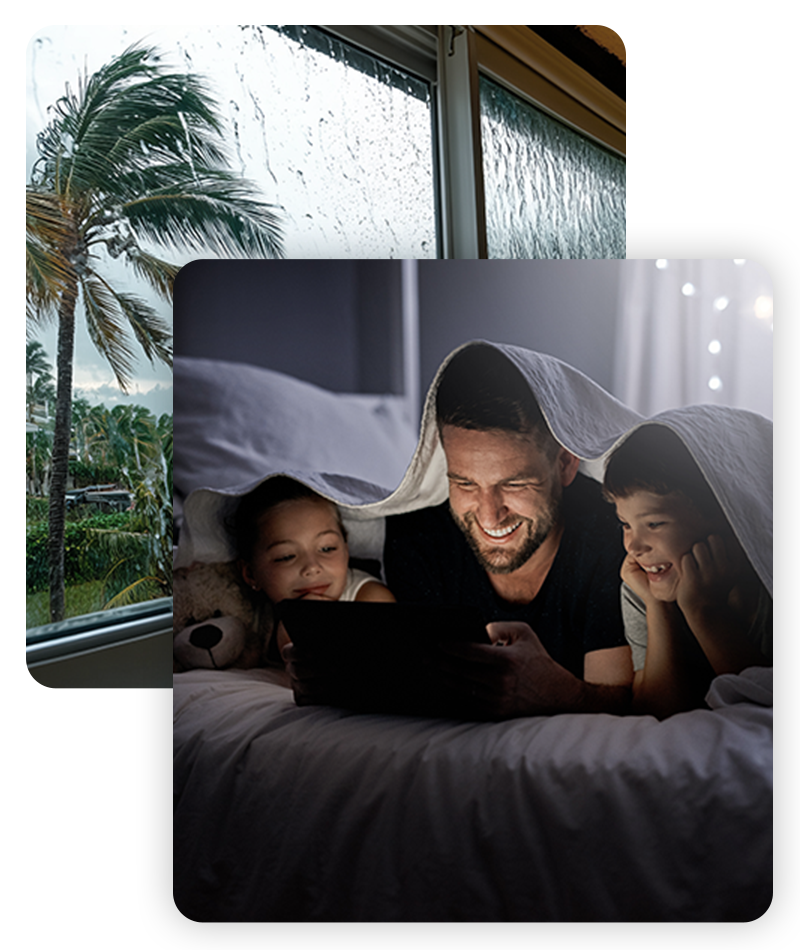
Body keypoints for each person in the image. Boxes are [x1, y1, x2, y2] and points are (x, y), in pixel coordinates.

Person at [382, 345, 634, 718]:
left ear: (565, 463)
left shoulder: (613, 537)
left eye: (514, 484)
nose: (489, 516)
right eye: (465, 483)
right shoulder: (418, 539)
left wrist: (552, 691)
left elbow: (621, 710)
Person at [602, 423, 773, 719]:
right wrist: (658, 606)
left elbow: (762, 714)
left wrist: (703, 610)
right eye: (626, 525)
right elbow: (657, 715)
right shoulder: (641, 586)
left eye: (654, 524)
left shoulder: (765, 587)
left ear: (727, 515)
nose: (634, 546)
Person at [232, 476, 395, 662]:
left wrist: (305, 620)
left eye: (327, 549)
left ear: (346, 550)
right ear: (251, 574)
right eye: (286, 556)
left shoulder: (371, 599)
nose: (312, 567)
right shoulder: (246, 613)